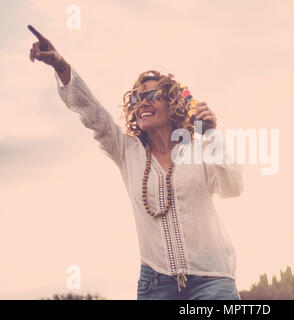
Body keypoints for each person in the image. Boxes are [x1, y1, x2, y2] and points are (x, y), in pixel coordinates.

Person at [28, 25, 244, 300]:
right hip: (156, 285)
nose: (142, 103)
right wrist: (60, 65)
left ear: (173, 104)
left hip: (212, 279)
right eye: (137, 98)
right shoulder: (127, 151)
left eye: (152, 96)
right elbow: (93, 113)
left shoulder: (199, 149)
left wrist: (211, 133)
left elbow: (233, 185)